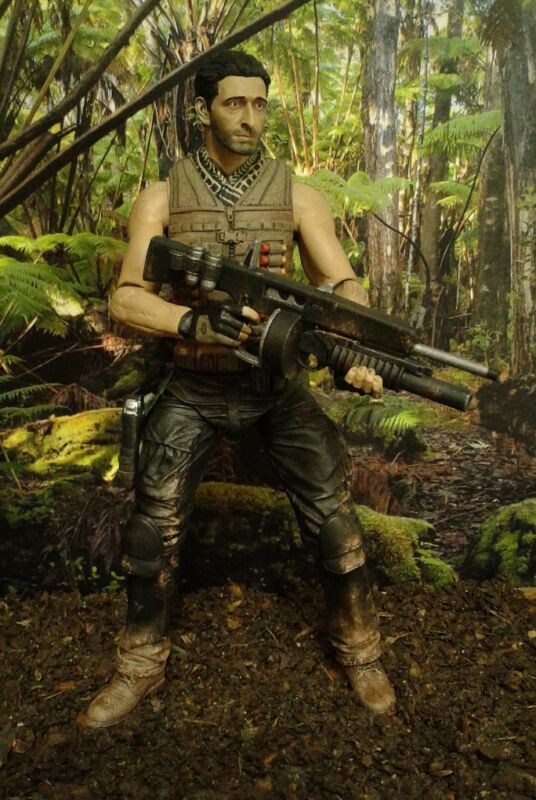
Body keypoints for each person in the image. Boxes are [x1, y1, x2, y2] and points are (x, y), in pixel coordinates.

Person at [84, 50, 396, 729]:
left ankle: (361, 649)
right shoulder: (161, 198)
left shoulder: (299, 197)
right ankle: (139, 660)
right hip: (193, 385)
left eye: (259, 104)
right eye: (234, 103)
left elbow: (342, 284)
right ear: (203, 110)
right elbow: (126, 298)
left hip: (274, 387)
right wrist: (192, 322)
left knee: (336, 520)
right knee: (151, 530)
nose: (250, 117)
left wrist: (354, 347)